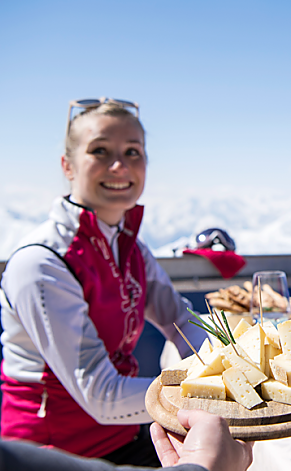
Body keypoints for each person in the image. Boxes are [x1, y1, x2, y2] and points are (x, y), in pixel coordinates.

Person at [0, 98, 208, 466]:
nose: (119, 166)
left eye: (133, 151)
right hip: (54, 454)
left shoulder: (131, 248)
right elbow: (101, 397)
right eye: (100, 151)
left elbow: (182, 320)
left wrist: (236, 364)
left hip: (127, 434)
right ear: (67, 165)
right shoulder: (42, 263)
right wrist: (209, 391)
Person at [0, 409, 253, 471]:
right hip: (59, 444)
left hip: (124, 435)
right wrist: (202, 466)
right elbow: (97, 394)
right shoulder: (38, 275)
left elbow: (175, 314)